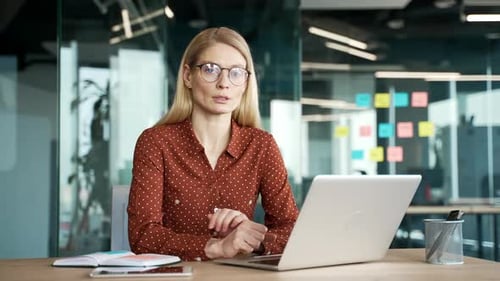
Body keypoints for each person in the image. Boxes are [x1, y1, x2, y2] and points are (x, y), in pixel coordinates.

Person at [127, 26, 299, 261]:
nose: (224, 83)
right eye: (210, 69)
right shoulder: (156, 142)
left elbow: (291, 229)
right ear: (188, 76)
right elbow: (142, 236)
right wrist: (215, 247)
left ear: (247, 82)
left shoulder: (261, 146)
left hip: (238, 276)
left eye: (236, 72)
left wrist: (247, 236)